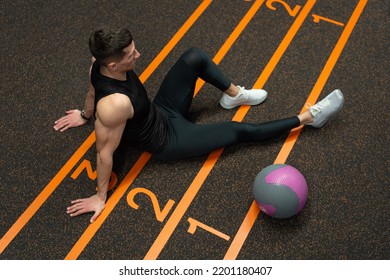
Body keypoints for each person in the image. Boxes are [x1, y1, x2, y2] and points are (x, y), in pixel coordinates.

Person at [54, 27, 344, 223]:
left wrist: (83, 113)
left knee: (194, 56)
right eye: (131, 55)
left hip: (160, 111)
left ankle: (234, 95)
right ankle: (309, 118)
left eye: (134, 49)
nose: (138, 55)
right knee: (238, 131)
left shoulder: (98, 64)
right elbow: (104, 152)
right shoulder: (114, 106)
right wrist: (99, 195)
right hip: (169, 140)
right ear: (114, 66)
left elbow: (93, 90)